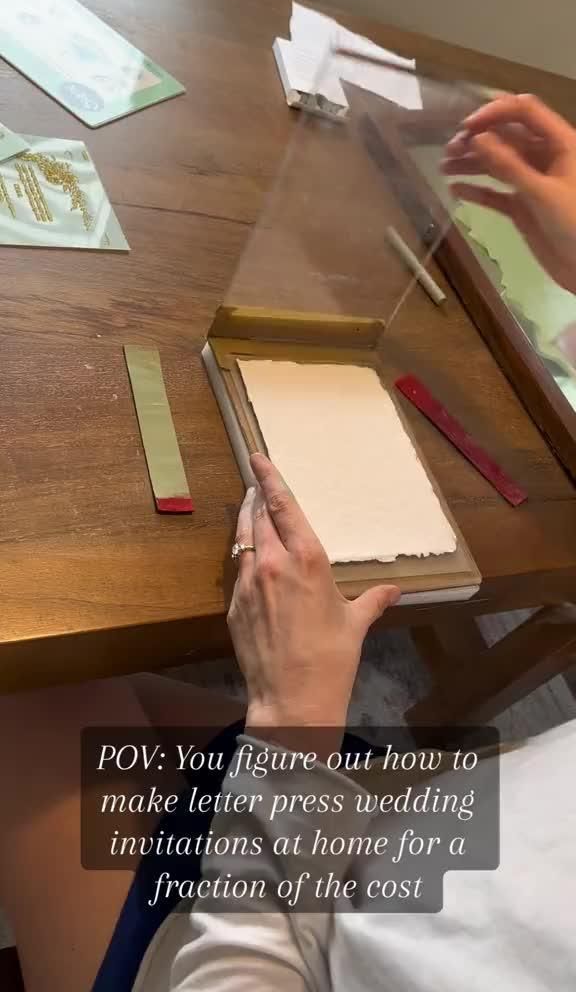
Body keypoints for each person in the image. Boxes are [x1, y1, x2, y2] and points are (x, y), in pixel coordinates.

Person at [0, 94, 575, 992]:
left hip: (247, 934)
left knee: (24, 674)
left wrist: (291, 731)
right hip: (397, 826)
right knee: (90, 682)